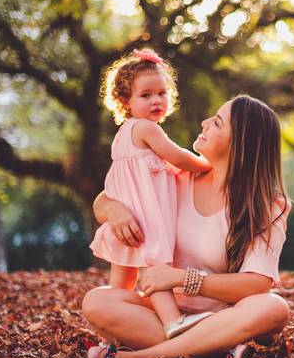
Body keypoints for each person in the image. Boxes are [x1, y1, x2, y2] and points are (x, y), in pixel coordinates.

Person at [82, 94, 292, 358]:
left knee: (273, 308)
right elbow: (107, 197)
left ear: (241, 143)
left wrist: (181, 278)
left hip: (226, 316)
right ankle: (216, 349)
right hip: (165, 315)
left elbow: (256, 284)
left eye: (217, 122)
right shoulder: (175, 177)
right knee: (97, 301)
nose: (205, 122)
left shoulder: (266, 205)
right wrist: (113, 209)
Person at [90, 48, 213, 340]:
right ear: (125, 101)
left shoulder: (123, 133)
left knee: (121, 281)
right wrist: (209, 165)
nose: (156, 100)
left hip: (128, 218)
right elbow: (179, 157)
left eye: (161, 93)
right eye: (145, 95)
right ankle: (173, 321)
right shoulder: (146, 129)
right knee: (156, 268)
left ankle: (113, 331)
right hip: (144, 217)